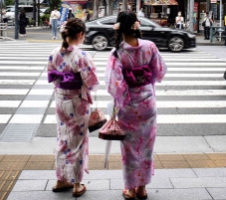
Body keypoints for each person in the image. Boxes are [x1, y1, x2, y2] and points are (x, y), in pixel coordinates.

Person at [106, 11, 167, 200]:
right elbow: (159, 71)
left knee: (130, 150)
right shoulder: (150, 47)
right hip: (148, 104)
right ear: (137, 26)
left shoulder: (117, 53)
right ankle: (142, 188)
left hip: (128, 108)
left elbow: (114, 85)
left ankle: (130, 188)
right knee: (147, 147)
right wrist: (146, 84)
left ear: (118, 28)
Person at [47, 18, 99, 198]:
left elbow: (52, 77)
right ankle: (77, 183)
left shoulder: (54, 53)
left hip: (61, 100)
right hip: (77, 102)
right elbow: (91, 82)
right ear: (79, 35)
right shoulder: (81, 56)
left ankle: (61, 178)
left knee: (63, 139)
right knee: (78, 142)